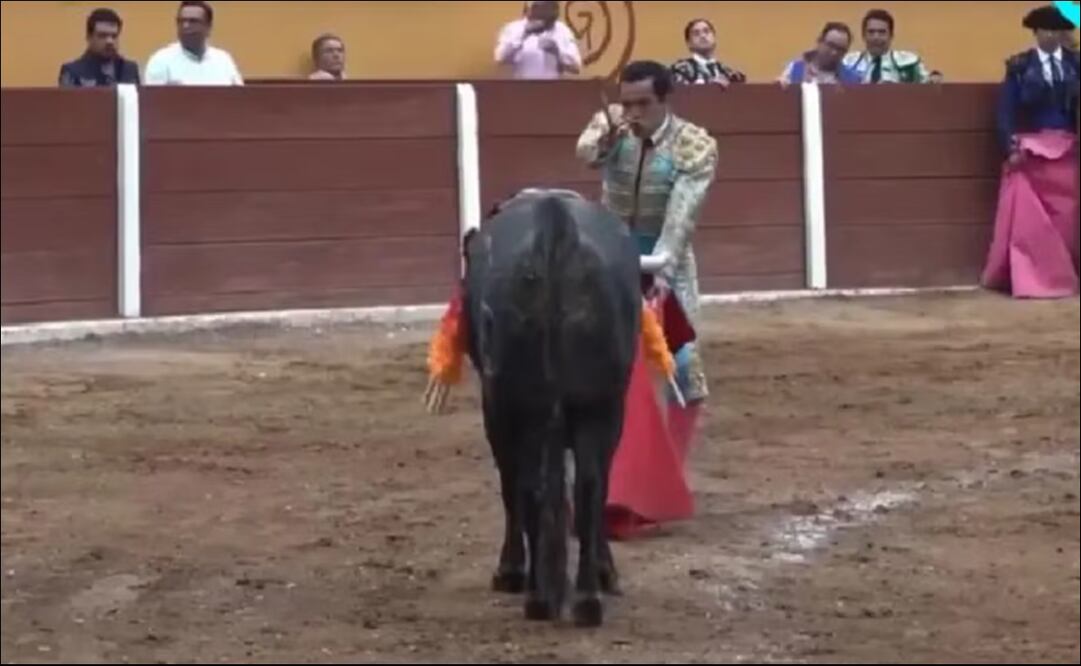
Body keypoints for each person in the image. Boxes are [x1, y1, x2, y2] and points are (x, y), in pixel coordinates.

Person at [576, 60, 718, 539]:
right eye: (627, 102)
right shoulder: (610, 124)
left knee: (683, 369)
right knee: (600, 370)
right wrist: (609, 139)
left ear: (665, 99)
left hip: (663, 262)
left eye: (643, 104)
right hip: (608, 256)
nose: (633, 111)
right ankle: (601, 485)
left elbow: (680, 220)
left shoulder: (695, 145)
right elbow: (585, 155)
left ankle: (659, 487)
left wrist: (661, 272)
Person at [982, 5, 1079, 298]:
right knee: (1032, 221)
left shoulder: (1076, 64)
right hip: (1034, 150)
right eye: (1045, 30)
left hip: (1070, 148)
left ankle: (1069, 274)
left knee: (1068, 217)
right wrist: (1010, 146)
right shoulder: (1020, 66)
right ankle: (1037, 277)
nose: (1050, 35)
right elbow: (1006, 110)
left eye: (1056, 29)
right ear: (1035, 33)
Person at [144, 0, 243, 86]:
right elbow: (152, 103)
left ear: (208, 27)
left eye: (193, 21)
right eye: (181, 21)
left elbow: (240, 98)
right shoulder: (161, 60)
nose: (185, 26)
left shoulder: (224, 60)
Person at [843, 9, 942, 83]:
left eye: (882, 32)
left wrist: (934, 80)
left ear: (891, 36)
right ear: (863, 35)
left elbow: (928, 87)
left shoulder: (909, 62)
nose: (876, 37)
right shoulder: (848, 62)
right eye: (871, 32)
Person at [494, 0, 581, 79]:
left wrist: (557, 52)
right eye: (539, 7)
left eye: (550, 8)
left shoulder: (562, 30)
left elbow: (576, 68)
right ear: (529, 9)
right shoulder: (514, 28)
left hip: (553, 90)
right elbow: (500, 58)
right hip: (522, 90)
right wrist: (523, 35)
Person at [58, 8, 140, 87]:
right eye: (102, 36)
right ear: (89, 37)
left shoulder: (129, 69)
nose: (110, 41)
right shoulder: (72, 72)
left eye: (114, 36)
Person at [670, 18, 746, 88]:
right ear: (689, 43)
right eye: (696, 33)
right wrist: (708, 86)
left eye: (706, 31)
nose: (703, 36)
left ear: (714, 38)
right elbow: (681, 93)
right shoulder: (680, 69)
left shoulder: (726, 72)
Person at [779, 22, 862, 85]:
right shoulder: (794, 69)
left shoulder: (853, 80)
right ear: (819, 41)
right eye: (830, 45)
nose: (834, 52)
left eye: (840, 49)